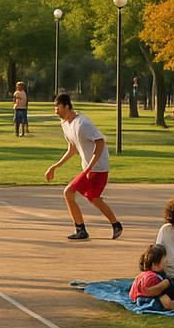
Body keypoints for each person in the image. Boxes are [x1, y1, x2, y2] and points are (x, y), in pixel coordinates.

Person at [45, 93, 123, 242]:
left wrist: (89, 168)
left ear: (67, 106)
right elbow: (72, 148)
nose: (56, 111)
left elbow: (100, 142)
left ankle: (82, 229)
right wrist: (55, 166)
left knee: (71, 192)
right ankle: (114, 225)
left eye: (58, 107)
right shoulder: (65, 124)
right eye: (54, 107)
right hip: (89, 169)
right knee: (93, 199)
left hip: (98, 168)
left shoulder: (83, 124)